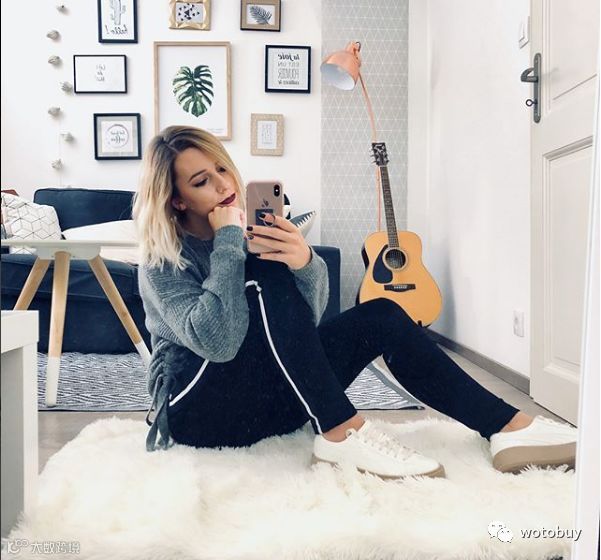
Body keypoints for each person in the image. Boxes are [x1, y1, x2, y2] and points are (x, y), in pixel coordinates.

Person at [133, 125, 577, 479]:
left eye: (222, 169)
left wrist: (305, 263)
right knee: (262, 272)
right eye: (201, 181)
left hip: (269, 405)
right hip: (198, 414)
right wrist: (230, 243)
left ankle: (504, 425)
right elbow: (219, 342)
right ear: (177, 200)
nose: (223, 185)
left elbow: (302, 329)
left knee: (382, 313)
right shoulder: (162, 260)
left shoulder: (252, 236)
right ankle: (340, 431)